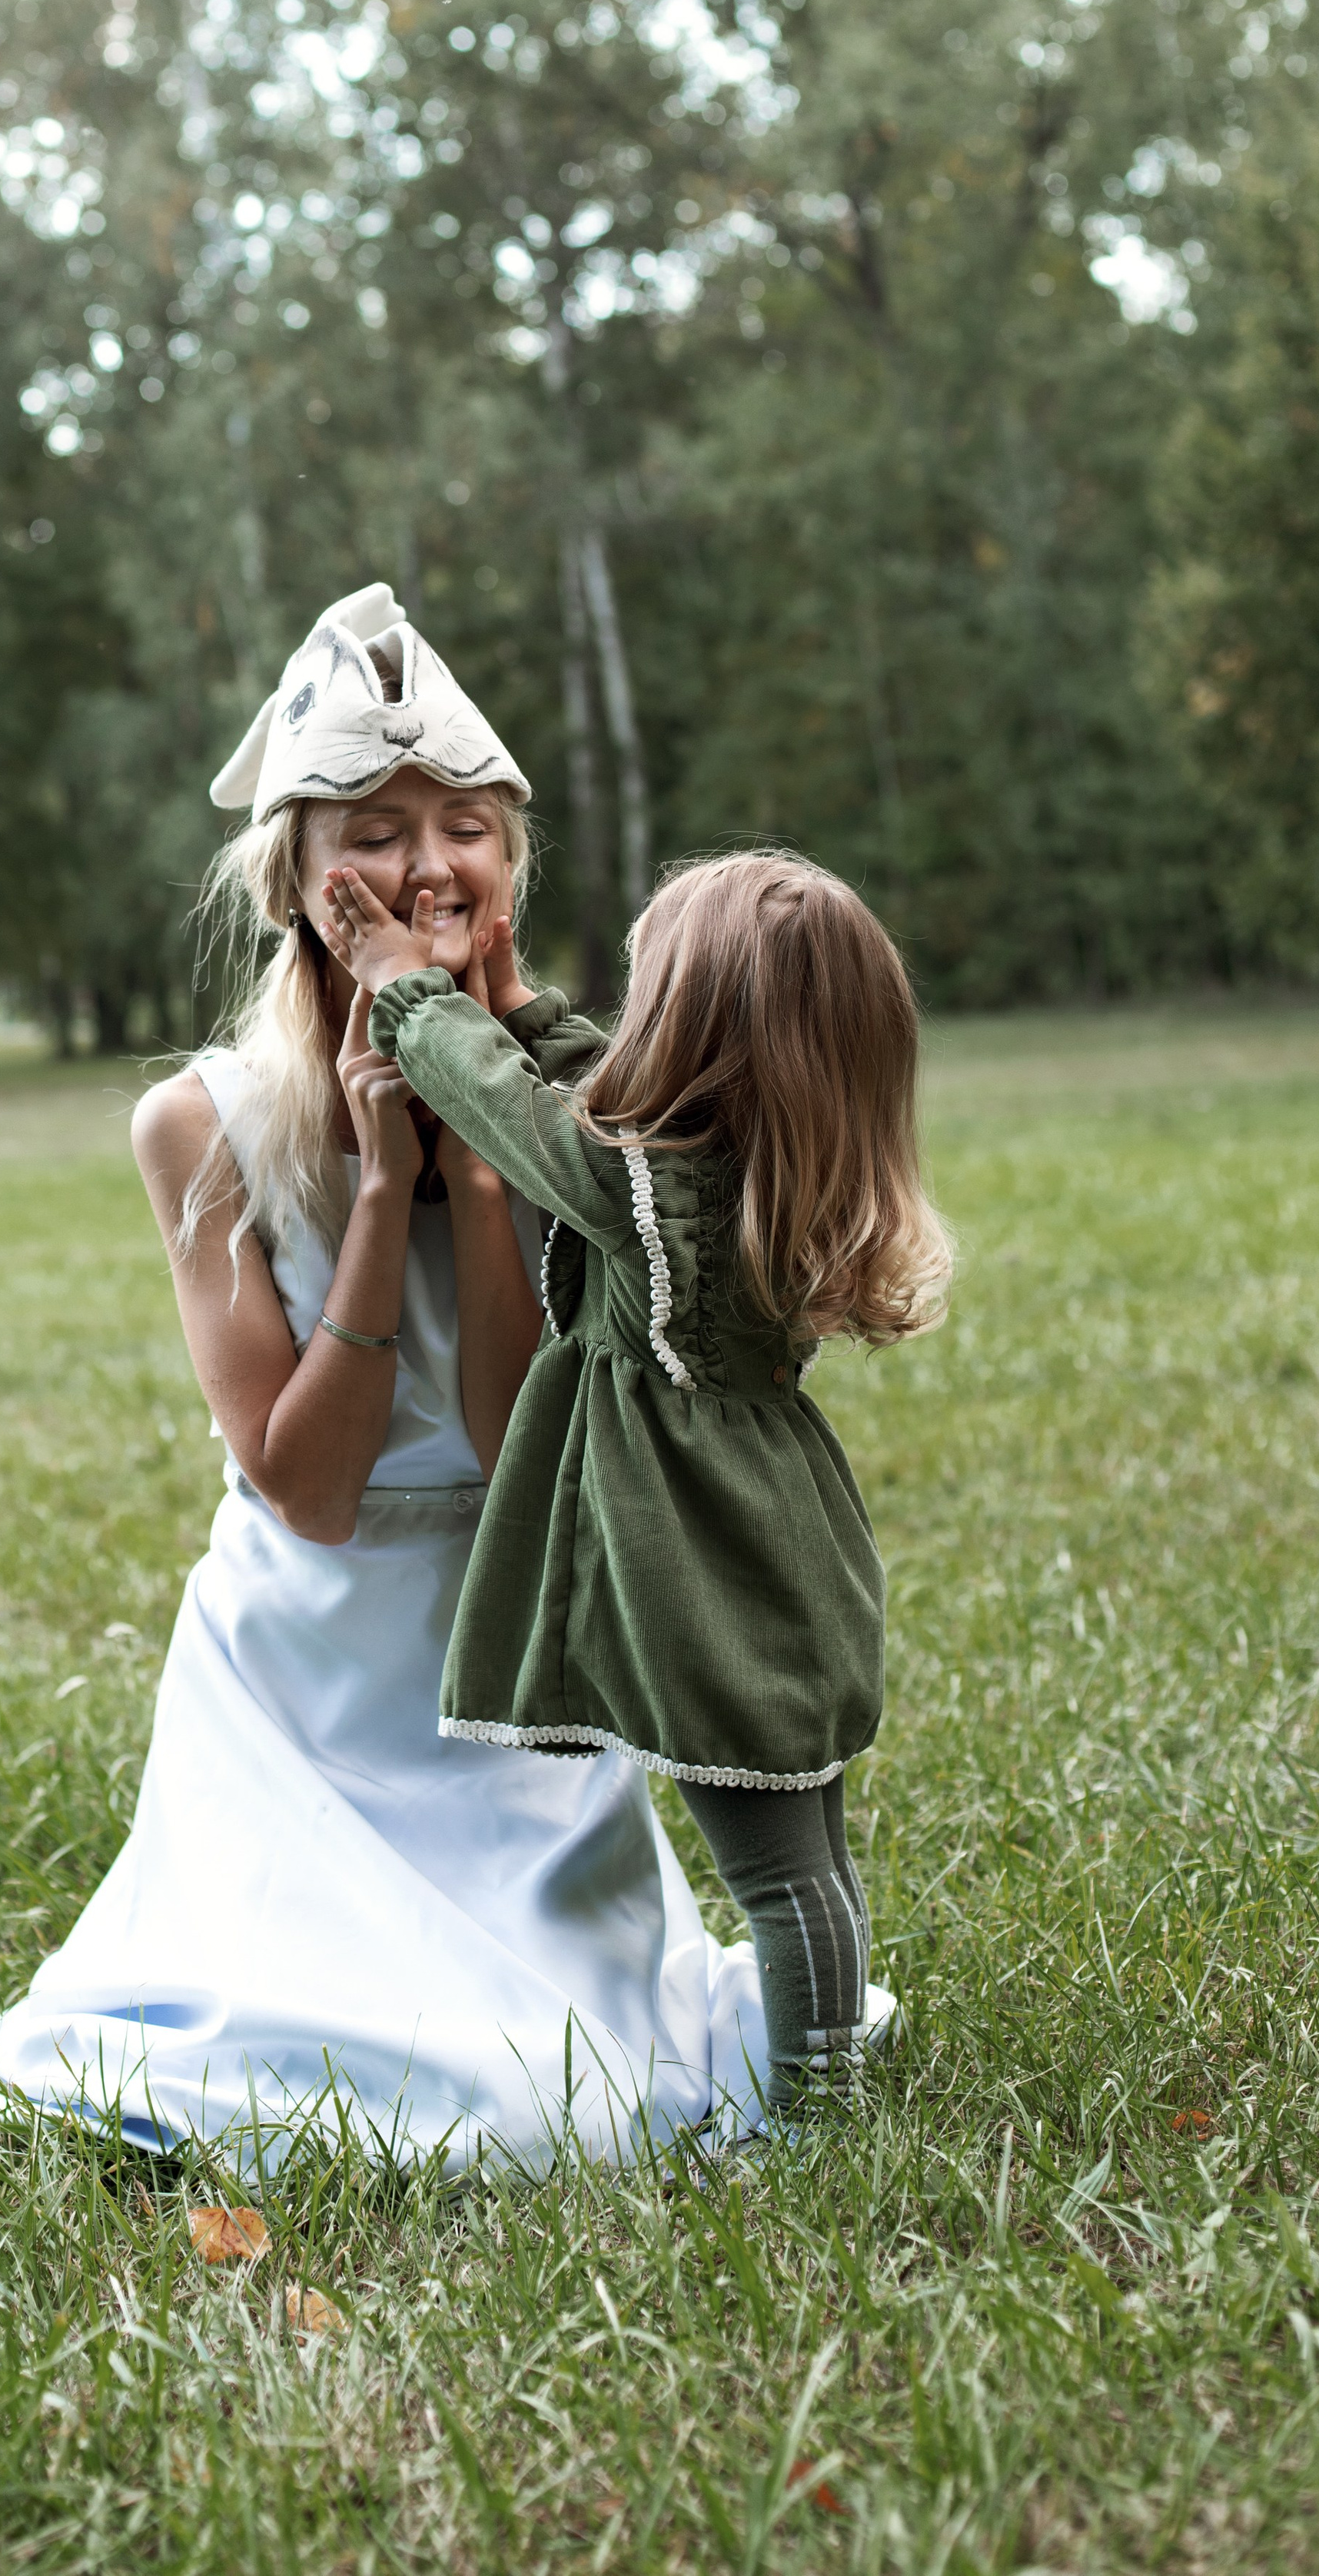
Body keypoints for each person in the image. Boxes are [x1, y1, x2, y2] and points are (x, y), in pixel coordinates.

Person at [0, 586, 779, 2169]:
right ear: (299, 880)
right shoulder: (199, 1125)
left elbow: (504, 1431)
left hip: (512, 1659)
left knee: (575, 2111)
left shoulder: (575, 1100)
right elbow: (310, 1493)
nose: (424, 867)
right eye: (376, 829)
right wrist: (379, 1191)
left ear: (510, 870)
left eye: (463, 826)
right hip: (305, 1692)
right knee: (426, 2101)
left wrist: (477, 1151)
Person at [318, 845, 952, 2108]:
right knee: (801, 1848)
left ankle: (819, 2115)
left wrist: (404, 985)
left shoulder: (648, 1185)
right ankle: (824, 2078)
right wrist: (510, 998)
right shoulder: (740, 1163)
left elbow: (525, 1123)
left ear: (702, 1029)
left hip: (706, 1552)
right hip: (768, 1524)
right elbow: (585, 1095)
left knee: (778, 1872)